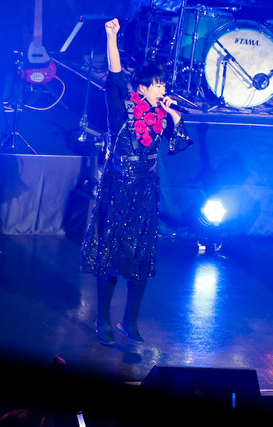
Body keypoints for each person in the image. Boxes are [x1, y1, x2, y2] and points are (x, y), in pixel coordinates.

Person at [80, 18, 193, 346]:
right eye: (156, 85)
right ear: (142, 88)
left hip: (145, 190)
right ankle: (103, 319)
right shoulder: (123, 109)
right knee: (112, 255)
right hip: (118, 188)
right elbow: (115, 77)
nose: (163, 89)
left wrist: (175, 117)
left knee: (141, 258)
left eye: (163, 84)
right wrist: (111, 36)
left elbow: (180, 145)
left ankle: (130, 320)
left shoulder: (162, 116)